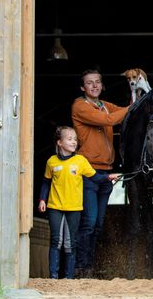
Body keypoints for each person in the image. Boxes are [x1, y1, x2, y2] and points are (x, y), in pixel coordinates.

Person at [38, 126, 119, 279]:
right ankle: (53, 276)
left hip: (74, 207)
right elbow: (46, 182)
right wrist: (42, 199)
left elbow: (95, 177)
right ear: (59, 142)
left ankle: (69, 277)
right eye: (69, 139)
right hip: (55, 206)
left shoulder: (80, 161)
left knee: (70, 242)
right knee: (56, 240)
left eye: (75, 139)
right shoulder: (52, 162)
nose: (74, 142)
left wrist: (108, 177)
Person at [71, 69, 128, 277]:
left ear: (101, 85)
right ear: (82, 87)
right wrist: (133, 106)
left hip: (106, 173)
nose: (94, 86)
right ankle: (80, 266)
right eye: (89, 83)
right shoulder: (80, 106)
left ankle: (89, 266)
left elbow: (123, 113)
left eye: (97, 82)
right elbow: (110, 120)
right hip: (88, 171)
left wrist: (136, 99)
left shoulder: (103, 105)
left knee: (98, 224)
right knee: (89, 221)